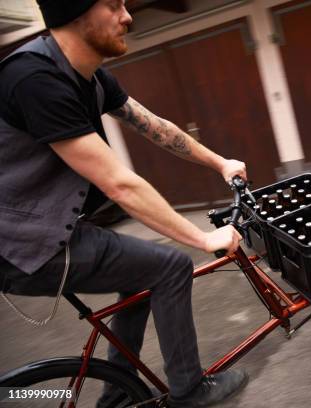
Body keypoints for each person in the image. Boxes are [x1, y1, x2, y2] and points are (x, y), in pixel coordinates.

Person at [0, 0, 249, 406]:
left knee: (141, 276)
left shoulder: (91, 76)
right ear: (77, 13)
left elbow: (156, 127)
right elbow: (120, 185)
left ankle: (118, 395)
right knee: (171, 265)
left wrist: (220, 163)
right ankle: (189, 390)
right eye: (113, 5)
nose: (128, 16)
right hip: (25, 246)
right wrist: (202, 239)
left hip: (52, 230)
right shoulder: (34, 78)